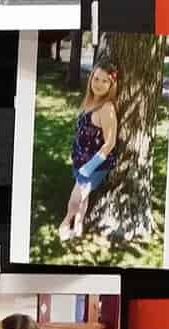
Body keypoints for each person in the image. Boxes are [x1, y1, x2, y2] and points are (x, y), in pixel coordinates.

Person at [58, 61, 119, 241]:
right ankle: (78, 225)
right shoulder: (90, 101)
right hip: (81, 159)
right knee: (84, 197)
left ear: (111, 85)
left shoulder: (107, 108)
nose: (98, 84)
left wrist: (89, 167)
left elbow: (110, 143)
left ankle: (65, 222)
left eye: (104, 81)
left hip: (95, 164)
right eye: (96, 78)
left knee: (77, 196)